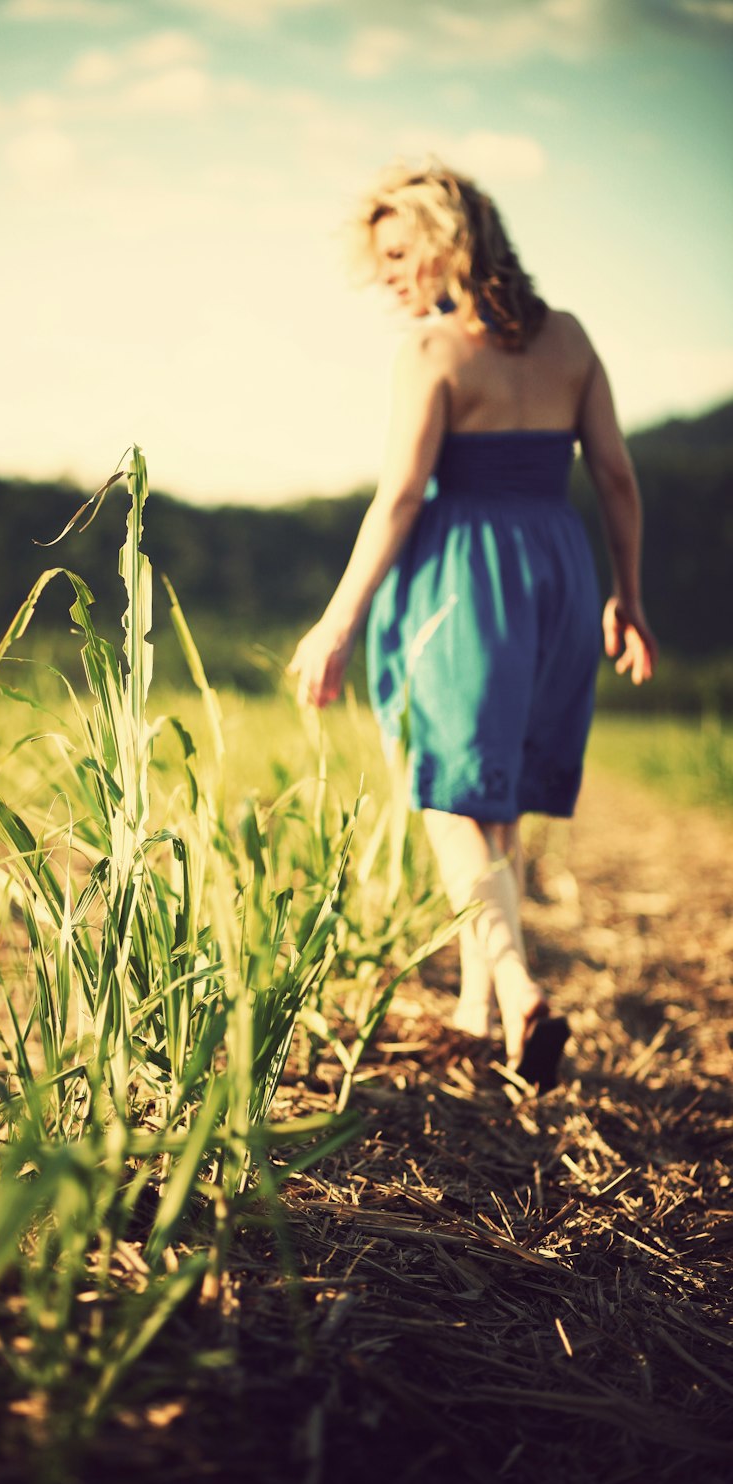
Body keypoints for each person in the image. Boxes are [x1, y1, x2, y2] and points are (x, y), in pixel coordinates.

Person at [287, 161, 657, 1091]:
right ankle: (477, 1006)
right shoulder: (571, 338)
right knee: (495, 800)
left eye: (403, 254)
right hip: (561, 575)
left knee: (449, 792)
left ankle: (522, 993)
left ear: (451, 242)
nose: (391, 279)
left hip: (465, 580)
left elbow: (403, 495)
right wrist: (629, 596)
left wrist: (337, 623)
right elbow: (614, 475)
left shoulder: (433, 354)